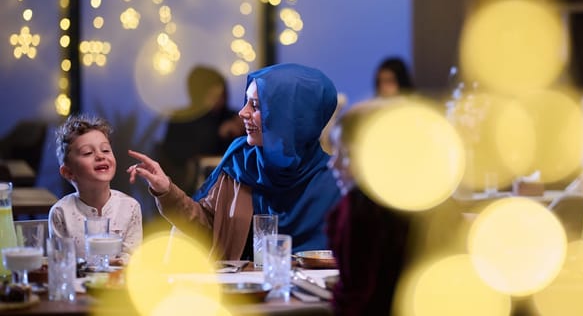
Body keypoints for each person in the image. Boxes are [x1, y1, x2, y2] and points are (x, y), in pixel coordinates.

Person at [127, 63, 342, 259]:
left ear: (288, 117)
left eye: (255, 106)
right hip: (245, 295)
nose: (242, 112)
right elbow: (207, 227)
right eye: (246, 102)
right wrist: (167, 191)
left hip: (318, 297)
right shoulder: (239, 163)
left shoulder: (336, 181)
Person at [326, 100, 411, 316]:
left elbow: (357, 301)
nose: (332, 164)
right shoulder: (427, 199)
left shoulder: (362, 210)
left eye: (344, 155)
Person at [49, 114, 143, 261]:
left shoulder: (130, 207)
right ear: (68, 172)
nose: (100, 156)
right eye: (88, 153)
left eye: (105, 150)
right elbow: (62, 262)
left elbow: (132, 259)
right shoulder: (60, 213)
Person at [158, 66, 244, 194]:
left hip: (232, 187)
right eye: (212, 93)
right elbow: (177, 156)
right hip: (191, 189)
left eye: (221, 93)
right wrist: (219, 134)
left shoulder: (235, 117)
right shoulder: (182, 119)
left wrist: (242, 132)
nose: (218, 98)